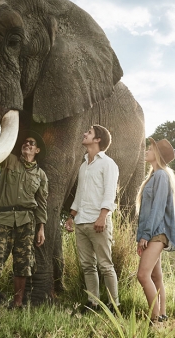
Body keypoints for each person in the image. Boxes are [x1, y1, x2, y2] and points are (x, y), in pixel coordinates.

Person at [0, 131, 48, 308]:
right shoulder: (9, 161)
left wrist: (41, 228)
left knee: (23, 263)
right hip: (4, 219)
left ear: (37, 150)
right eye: (25, 142)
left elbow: (41, 203)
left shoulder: (41, 175)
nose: (27, 144)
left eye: (31, 143)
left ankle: (17, 304)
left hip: (27, 222)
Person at [65, 125, 120, 312]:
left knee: (105, 265)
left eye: (88, 132)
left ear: (97, 140)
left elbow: (110, 192)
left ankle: (114, 306)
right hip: (81, 221)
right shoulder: (83, 165)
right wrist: (71, 216)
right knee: (88, 266)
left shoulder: (108, 164)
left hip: (99, 222)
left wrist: (103, 216)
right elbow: (80, 194)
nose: (84, 134)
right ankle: (93, 303)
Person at [136, 137, 175, 323]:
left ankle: (154, 320)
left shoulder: (161, 175)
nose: (146, 151)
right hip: (154, 232)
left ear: (157, 155)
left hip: (156, 233)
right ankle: (161, 316)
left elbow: (157, 209)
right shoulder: (154, 176)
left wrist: (145, 235)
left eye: (150, 149)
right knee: (155, 275)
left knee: (142, 275)